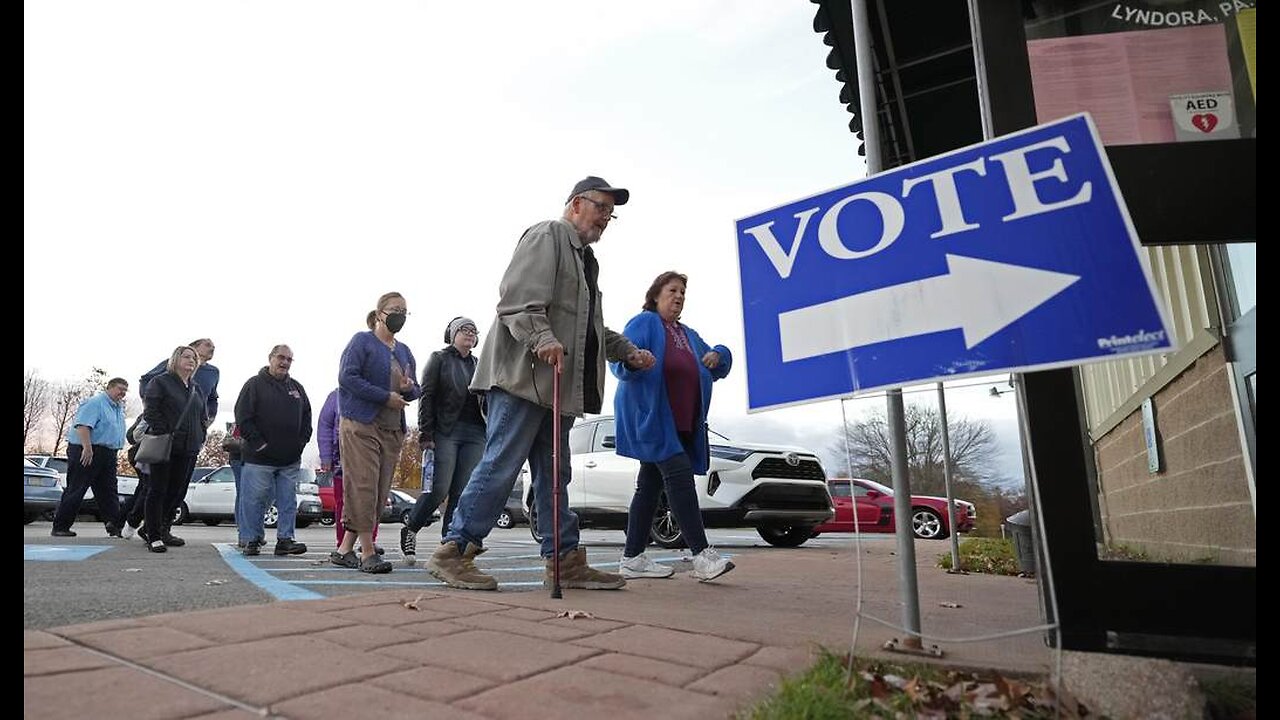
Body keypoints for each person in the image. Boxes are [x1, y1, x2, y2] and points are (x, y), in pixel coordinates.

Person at [426, 176, 656, 591]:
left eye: (610, 212)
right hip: (522, 380)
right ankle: (454, 551)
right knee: (501, 464)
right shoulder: (549, 234)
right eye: (599, 207)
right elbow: (516, 300)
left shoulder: (585, 260)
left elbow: (589, 329)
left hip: (555, 389)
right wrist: (543, 338)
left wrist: (626, 351)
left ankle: (563, 559)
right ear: (574, 205)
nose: (605, 218)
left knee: (555, 476)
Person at [612, 271, 735, 581]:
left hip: (682, 423)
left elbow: (718, 363)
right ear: (656, 295)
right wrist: (633, 359)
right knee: (678, 475)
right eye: (672, 290)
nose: (679, 296)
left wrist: (718, 354)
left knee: (648, 487)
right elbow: (619, 358)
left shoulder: (688, 334)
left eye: (683, 293)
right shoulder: (644, 323)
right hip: (651, 418)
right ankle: (701, 555)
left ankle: (632, 558)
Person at [331, 292, 420, 574]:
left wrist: (408, 389)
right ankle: (367, 552)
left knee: (380, 492)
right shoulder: (362, 342)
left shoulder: (404, 350)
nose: (400, 316)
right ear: (379, 313)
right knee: (364, 485)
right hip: (361, 423)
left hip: (392, 428)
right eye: (395, 310)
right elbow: (347, 377)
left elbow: (415, 389)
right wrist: (384, 396)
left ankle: (344, 549)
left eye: (405, 311)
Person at [400, 316, 487, 565]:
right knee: (439, 489)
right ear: (452, 333)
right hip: (446, 431)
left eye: (473, 330)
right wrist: (426, 434)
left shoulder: (478, 364)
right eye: (464, 330)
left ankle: (449, 546)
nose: (469, 334)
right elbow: (427, 396)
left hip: (475, 433)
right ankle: (411, 528)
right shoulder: (439, 359)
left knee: (461, 493)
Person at [233, 345, 313, 556]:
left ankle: (285, 539)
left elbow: (307, 417)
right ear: (270, 358)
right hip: (259, 458)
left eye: (289, 359)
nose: (284, 362)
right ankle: (252, 539)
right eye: (281, 357)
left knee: (287, 501)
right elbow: (243, 417)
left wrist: (301, 442)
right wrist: (259, 443)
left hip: (289, 459)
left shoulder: (297, 388)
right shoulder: (254, 385)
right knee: (254, 500)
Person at [140, 346, 208, 553]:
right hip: (165, 445)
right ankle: (153, 535)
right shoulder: (160, 382)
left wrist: (201, 435)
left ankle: (164, 529)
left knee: (178, 492)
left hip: (189, 447)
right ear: (175, 360)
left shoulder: (196, 388)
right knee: (158, 490)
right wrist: (165, 432)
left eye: (194, 358)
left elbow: (202, 416)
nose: (191, 360)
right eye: (187, 356)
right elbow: (151, 411)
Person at [50, 378, 129, 538]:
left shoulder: (118, 408)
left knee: (108, 491)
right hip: (87, 449)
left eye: (125, 391)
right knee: (77, 488)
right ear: (110, 387)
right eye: (120, 389)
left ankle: (114, 525)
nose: (123, 393)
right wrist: (87, 448)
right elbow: (83, 425)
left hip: (108, 452)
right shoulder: (95, 403)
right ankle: (60, 526)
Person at [318, 388, 381, 552]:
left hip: (370, 456)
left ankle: (368, 543)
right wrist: (326, 457)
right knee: (343, 502)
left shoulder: (376, 394)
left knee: (372, 499)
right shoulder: (335, 397)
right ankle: (343, 544)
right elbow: (324, 426)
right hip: (342, 459)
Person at [140, 338, 219, 423]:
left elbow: (212, 397)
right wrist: (151, 408)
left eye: (213, 347)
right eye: (207, 345)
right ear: (193, 347)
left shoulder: (213, 372)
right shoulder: (172, 363)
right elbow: (146, 380)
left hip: (194, 423)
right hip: (167, 421)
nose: (212, 349)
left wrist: (210, 417)